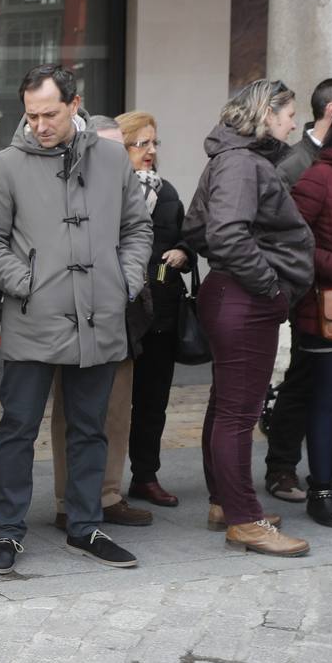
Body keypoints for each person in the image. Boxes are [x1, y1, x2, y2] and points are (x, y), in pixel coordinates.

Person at [0, 64, 153, 576]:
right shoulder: (6, 165)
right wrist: (28, 285)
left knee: (90, 428)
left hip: (100, 316)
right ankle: (7, 531)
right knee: (17, 429)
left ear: (76, 105)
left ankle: (85, 525)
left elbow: (137, 229)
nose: (40, 124)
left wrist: (124, 282)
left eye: (50, 113)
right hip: (33, 319)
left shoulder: (114, 157)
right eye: (31, 115)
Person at [184, 78, 313, 556]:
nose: (294, 122)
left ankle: (226, 504)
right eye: (288, 113)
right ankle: (244, 519)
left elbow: (198, 228)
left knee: (226, 408)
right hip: (245, 299)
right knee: (238, 415)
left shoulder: (232, 159)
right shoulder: (241, 163)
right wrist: (272, 287)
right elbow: (224, 235)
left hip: (234, 296)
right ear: (266, 114)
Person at [47, 116, 155, 532]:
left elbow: (141, 236)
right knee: (70, 413)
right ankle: (65, 500)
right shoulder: (67, 182)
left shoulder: (144, 188)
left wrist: (126, 282)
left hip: (121, 312)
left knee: (116, 411)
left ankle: (108, 494)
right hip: (71, 313)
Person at [264, 75, 332, 504]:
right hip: (319, 302)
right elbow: (290, 237)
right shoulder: (305, 168)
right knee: (310, 387)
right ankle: (288, 470)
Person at [118, 110, 194, 508]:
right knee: (111, 406)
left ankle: (145, 476)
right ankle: (105, 483)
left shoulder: (166, 194)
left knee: (153, 402)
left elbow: (186, 238)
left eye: (154, 143)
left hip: (161, 311)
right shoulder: (108, 189)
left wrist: (184, 251)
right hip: (119, 312)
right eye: (140, 143)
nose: (149, 151)